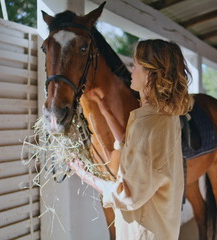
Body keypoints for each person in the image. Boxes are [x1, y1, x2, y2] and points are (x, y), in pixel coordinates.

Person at [68, 39, 193, 240]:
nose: (131, 70)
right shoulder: (163, 115)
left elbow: (128, 195)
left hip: (143, 233)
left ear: (151, 73)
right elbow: (132, 148)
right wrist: (106, 111)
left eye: (135, 65)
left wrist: (84, 174)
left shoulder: (149, 124)